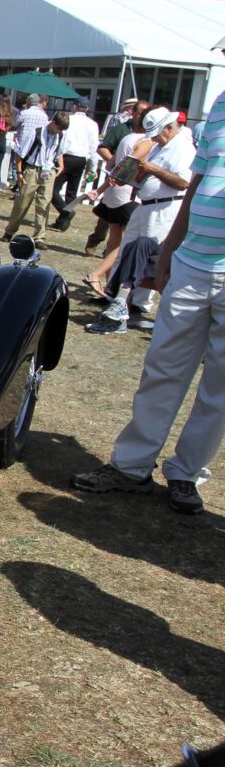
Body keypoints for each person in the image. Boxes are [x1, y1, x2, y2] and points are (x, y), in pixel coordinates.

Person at [72, 89, 225, 515]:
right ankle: (131, 467)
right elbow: (199, 182)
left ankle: (186, 473)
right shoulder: (219, 105)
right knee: (162, 367)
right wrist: (173, 246)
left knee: (219, 386)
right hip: (193, 260)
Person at [85, 107, 197, 334]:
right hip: (146, 205)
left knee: (146, 260)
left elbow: (183, 182)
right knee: (126, 254)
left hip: (164, 208)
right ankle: (118, 303)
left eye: (157, 134)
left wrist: (152, 169)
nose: (154, 138)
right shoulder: (161, 146)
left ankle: (134, 305)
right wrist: (133, 175)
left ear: (169, 128)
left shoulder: (183, 148)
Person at [83, 107, 148, 300]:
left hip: (114, 194)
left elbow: (112, 165)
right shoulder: (146, 142)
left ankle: (109, 288)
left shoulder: (127, 138)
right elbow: (126, 168)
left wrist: (101, 190)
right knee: (128, 242)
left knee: (114, 240)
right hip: (127, 195)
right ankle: (96, 275)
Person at [1, 108, 66, 245]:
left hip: (48, 171)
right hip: (32, 170)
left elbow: (59, 153)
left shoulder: (59, 136)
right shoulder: (36, 133)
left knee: (44, 205)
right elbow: (20, 152)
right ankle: (10, 231)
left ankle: (39, 237)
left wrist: (61, 166)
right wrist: (19, 173)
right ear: (53, 122)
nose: (59, 131)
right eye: (59, 128)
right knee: (22, 203)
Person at [51, 98, 100, 230]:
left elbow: (61, 141)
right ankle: (62, 223)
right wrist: (93, 168)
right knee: (71, 193)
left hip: (66, 157)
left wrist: (57, 157)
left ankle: (66, 212)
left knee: (53, 189)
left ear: (74, 107)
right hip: (81, 159)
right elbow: (94, 148)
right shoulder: (93, 124)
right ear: (87, 109)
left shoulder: (69, 119)